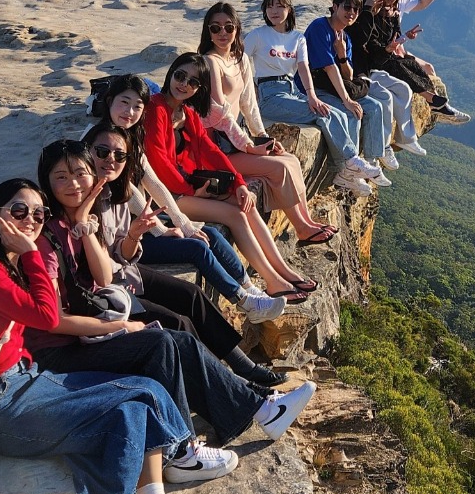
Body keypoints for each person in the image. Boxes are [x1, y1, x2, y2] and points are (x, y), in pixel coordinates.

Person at [0, 178, 215, 494]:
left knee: (137, 397)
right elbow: (46, 316)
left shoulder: (3, 265)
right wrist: (31, 253)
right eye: (19, 211)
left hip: (28, 379)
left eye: (39, 213)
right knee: (125, 407)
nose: (31, 220)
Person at [29, 141, 317, 461]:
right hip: (62, 349)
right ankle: (183, 449)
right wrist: (123, 326)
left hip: (91, 323)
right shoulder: (46, 238)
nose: (73, 184)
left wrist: (86, 226)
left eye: (80, 173)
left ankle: (260, 410)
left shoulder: (82, 220)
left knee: (179, 336)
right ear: (46, 182)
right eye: (61, 177)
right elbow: (52, 320)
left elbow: (104, 278)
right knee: (162, 342)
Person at [81, 124, 289, 388]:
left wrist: (135, 235)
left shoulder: (116, 189)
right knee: (178, 321)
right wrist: (159, 231)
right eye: (102, 152)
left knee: (192, 294)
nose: (111, 159)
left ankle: (243, 366)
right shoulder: (83, 196)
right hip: (106, 286)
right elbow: (102, 273)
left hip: (124, 268)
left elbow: (126, 246)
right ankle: (231, 384)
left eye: (120, 155)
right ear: (87, 151)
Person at [91, 74, 285, 323]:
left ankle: (250, 288)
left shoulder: (130, 138)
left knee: (209, 234)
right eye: (124, 103)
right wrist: (162, 231)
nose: (130, 112)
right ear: (110, 101)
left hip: (138, 224)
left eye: (137, 106)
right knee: (196, 248)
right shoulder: (98, 142)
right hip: (120, 239)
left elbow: (154, 184)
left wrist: (183, 223)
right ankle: (244, 302)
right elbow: (128, 193)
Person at [142, 53, 318, 303]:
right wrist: (191, 190)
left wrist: (239, 184)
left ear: (199, 88)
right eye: (180, 76)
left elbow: (211, 151)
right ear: (171, 73)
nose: (184, 84)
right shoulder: (156, 108)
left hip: (187, 187)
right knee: (235, 215)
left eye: (193, 82)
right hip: (165, 195)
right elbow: (158, 160)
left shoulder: (187, 113)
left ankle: (282, 271)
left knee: (246, 204)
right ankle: (273, 281)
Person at [196, 1, 334, 245]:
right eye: (215, 28)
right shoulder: (209, 62)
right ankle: (302, 228)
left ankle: (308, 221)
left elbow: (249, 104)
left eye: (228, 27)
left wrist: (264, 138)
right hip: (215, 148)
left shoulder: (240, 59)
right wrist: (250, 146)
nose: (222, 33)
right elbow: (222, 115)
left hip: (234, 141)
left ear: (237, 29)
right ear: (208, 31)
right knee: (278, 168)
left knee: (290, 160)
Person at [244, 0, 382, 197]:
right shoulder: (257, 35)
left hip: (292, 89)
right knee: (323, 114)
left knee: (333, 112)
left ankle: (346, 170)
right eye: (269, 6)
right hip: (269, 94)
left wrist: (311, 96)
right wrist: (250, 89)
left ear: (289, 9)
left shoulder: (297, 38)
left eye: (280, 6)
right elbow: (239, 63)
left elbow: (303, 69)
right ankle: (350, 161)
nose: (274, 11)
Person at [303, 0, 395, 186]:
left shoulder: (344, 37)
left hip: (335, 87)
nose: (351, 12)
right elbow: (328, 67)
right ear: (335, 7)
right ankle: (346, 172)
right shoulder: (320, 27)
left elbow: (349, 75)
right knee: (351, 112)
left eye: (356, 9)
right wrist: (347, 100)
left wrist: (342, 54)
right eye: (347, 7)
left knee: (375, 107)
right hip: (315, 87)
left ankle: (370, 163)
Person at [365, 0, 470, 125]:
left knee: (426, 67)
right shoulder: (374, 2)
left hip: (395, 47)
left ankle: (439, 106)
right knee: (404, 66)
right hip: (382, 53)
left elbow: (422, 3)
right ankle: (435, 102)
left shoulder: (399, 1)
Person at [347, 0, 428, 158]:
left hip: (370, 70)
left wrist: (389, 48)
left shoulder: (373, 19)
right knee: (385, 98)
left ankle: (406, 138)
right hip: (360, 74)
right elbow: (360, 39)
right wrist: (367, 10)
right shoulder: (356, 20)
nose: (378, 7)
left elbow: (377, 55)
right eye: (375, 3)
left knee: (404, 89)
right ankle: (382, 148)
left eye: (380, 4)